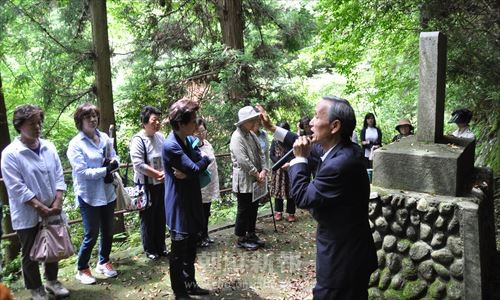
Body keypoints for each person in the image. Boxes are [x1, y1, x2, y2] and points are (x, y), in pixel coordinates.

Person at [259, 96, 377, 299]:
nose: (310, 123)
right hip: (354, 252)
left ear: (334, 126)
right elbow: (305, 145)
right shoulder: (343, 150)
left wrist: (299, 161)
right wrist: (272, 128)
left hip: (341, 259)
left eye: (316, 116)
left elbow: (304, 197)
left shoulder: (339, 165)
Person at [1, 105, 70, 299]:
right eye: (32, 123)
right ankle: (35, 287)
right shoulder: (11, 153)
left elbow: (58, 174)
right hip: (28, 212)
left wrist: (57, 201)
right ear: (19, 125)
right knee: (30, 251)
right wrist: (40, 207)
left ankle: (52, 281)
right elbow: (16, 186)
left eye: (39, 122)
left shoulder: (49, 146)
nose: (38, 126)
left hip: (53, 208)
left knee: (53, 244)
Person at [162, 98, 211, 299]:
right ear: (180, 123)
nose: (196, 124)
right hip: (179, 205)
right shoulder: (171, 145)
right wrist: (205, 160)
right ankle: (179, 291)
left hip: (191, 200)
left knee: (191, 248)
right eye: (192, 121)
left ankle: (190, 284)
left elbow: (195, 165)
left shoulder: (187, 140)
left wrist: (196, 166)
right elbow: (195, 166)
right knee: (178, 251)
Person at [67, 103, 119, 285]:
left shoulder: (104, 137)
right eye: (87, 117)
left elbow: (114, 156)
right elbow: (82, 173)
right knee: (92, 232)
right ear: (80, 121)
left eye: (94, 116)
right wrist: (105, 170)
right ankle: (82, 267)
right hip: (88, 194)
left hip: (107, 191)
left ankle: (103, 261)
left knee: (108, 229)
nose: (92, 119)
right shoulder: (75, 145)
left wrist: (114, 163)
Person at [130, 106, 168, 260]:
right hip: (145, 185)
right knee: (148, 217)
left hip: (161, 182)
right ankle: (150, 249)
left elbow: (166, 156)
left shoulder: (160, 137)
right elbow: (138, 164)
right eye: (154, 120)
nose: (157, 123)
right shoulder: (138, 140)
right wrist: (157, 173)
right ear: (144, 122)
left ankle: (161, 246)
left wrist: (165, 172)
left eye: (159, 119)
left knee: (161, 216)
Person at [230, 106, 268, 251]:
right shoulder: (237, 137)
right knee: (243, 208)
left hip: (256, 178)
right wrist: (256, 173)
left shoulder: (251, 135)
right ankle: (241, 238)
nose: (254, 122)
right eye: (251, 120)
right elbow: (242, 160)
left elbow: (261, 152)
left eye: (254, 119)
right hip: (244, 179)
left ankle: (251, 233)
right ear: (243, 122)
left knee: (253, 207)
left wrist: (264, 169)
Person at [193, 118, 220, 247]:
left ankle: (205, 234)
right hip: (198, 185)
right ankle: (199, 237)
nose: (201, 134)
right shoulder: (192, 147)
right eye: (197, 132)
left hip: (209, 183)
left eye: (203, 131)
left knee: (206, 210)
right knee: (199, 212)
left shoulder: (208, 144)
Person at [270, 121, 295, 222]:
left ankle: (291, 213)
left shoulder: (292, 141)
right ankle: (278, 212)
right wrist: (280, 164)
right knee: (278, 190)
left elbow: (296, 154)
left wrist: (289, 163)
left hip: (290, 168)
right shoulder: (274, 141)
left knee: (291, 191)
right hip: (279, 171)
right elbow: (271, 155)